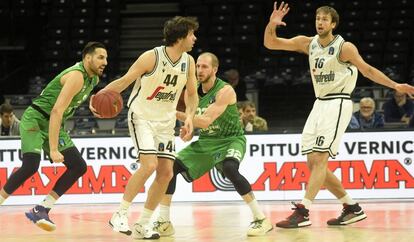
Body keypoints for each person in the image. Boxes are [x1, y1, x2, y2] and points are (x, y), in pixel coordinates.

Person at [264, 2, 414, 228]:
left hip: (338, 102)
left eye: (325, 19)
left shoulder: (345, 47)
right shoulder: (309, 43)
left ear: (333, 24)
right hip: (319, 104)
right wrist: (272, 24)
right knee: (313, 163)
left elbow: (368, 70)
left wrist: (395, 85)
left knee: (320, 159)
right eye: (317, 19)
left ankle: (303, 212)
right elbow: (270, 43)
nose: (320, 22)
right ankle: (352, 207)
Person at [152, 52, 273, 237]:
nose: (199, 70)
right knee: (170, 169)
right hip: (207, 141)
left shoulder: (225, 91)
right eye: (198, 66)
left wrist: (173, 112)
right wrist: (188, 130)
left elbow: (206, 120)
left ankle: (261, 219)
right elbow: (194, 123)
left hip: (231, 139)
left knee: (230, 168)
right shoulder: (191, 92)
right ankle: (164, 221)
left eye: (204, 67)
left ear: (214, 69)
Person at [105, 16, 199, 240]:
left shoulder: (189, 61)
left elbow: (193, 94)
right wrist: (99, 96)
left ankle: (143, 224)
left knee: (166, 172)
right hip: (142, 117)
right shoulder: (152, 57)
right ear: (180, 36)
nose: (194, 38)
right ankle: (119, 214)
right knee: (149, 164)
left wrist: (190, 118)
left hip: (165, 122)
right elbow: (125, 81)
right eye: (191, 34)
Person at [0, 42, 108, 231]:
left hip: (53, 123)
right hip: (36, 119)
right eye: (100, 57)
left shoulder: (93, 80)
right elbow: (57, 111)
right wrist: (54, 149)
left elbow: (76, 98)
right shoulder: (76, 76)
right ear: (87, 57)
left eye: (106, 58)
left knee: (78, 166)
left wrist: (92, 101)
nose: (105, 62)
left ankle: (41, 208)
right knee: (31, 165)